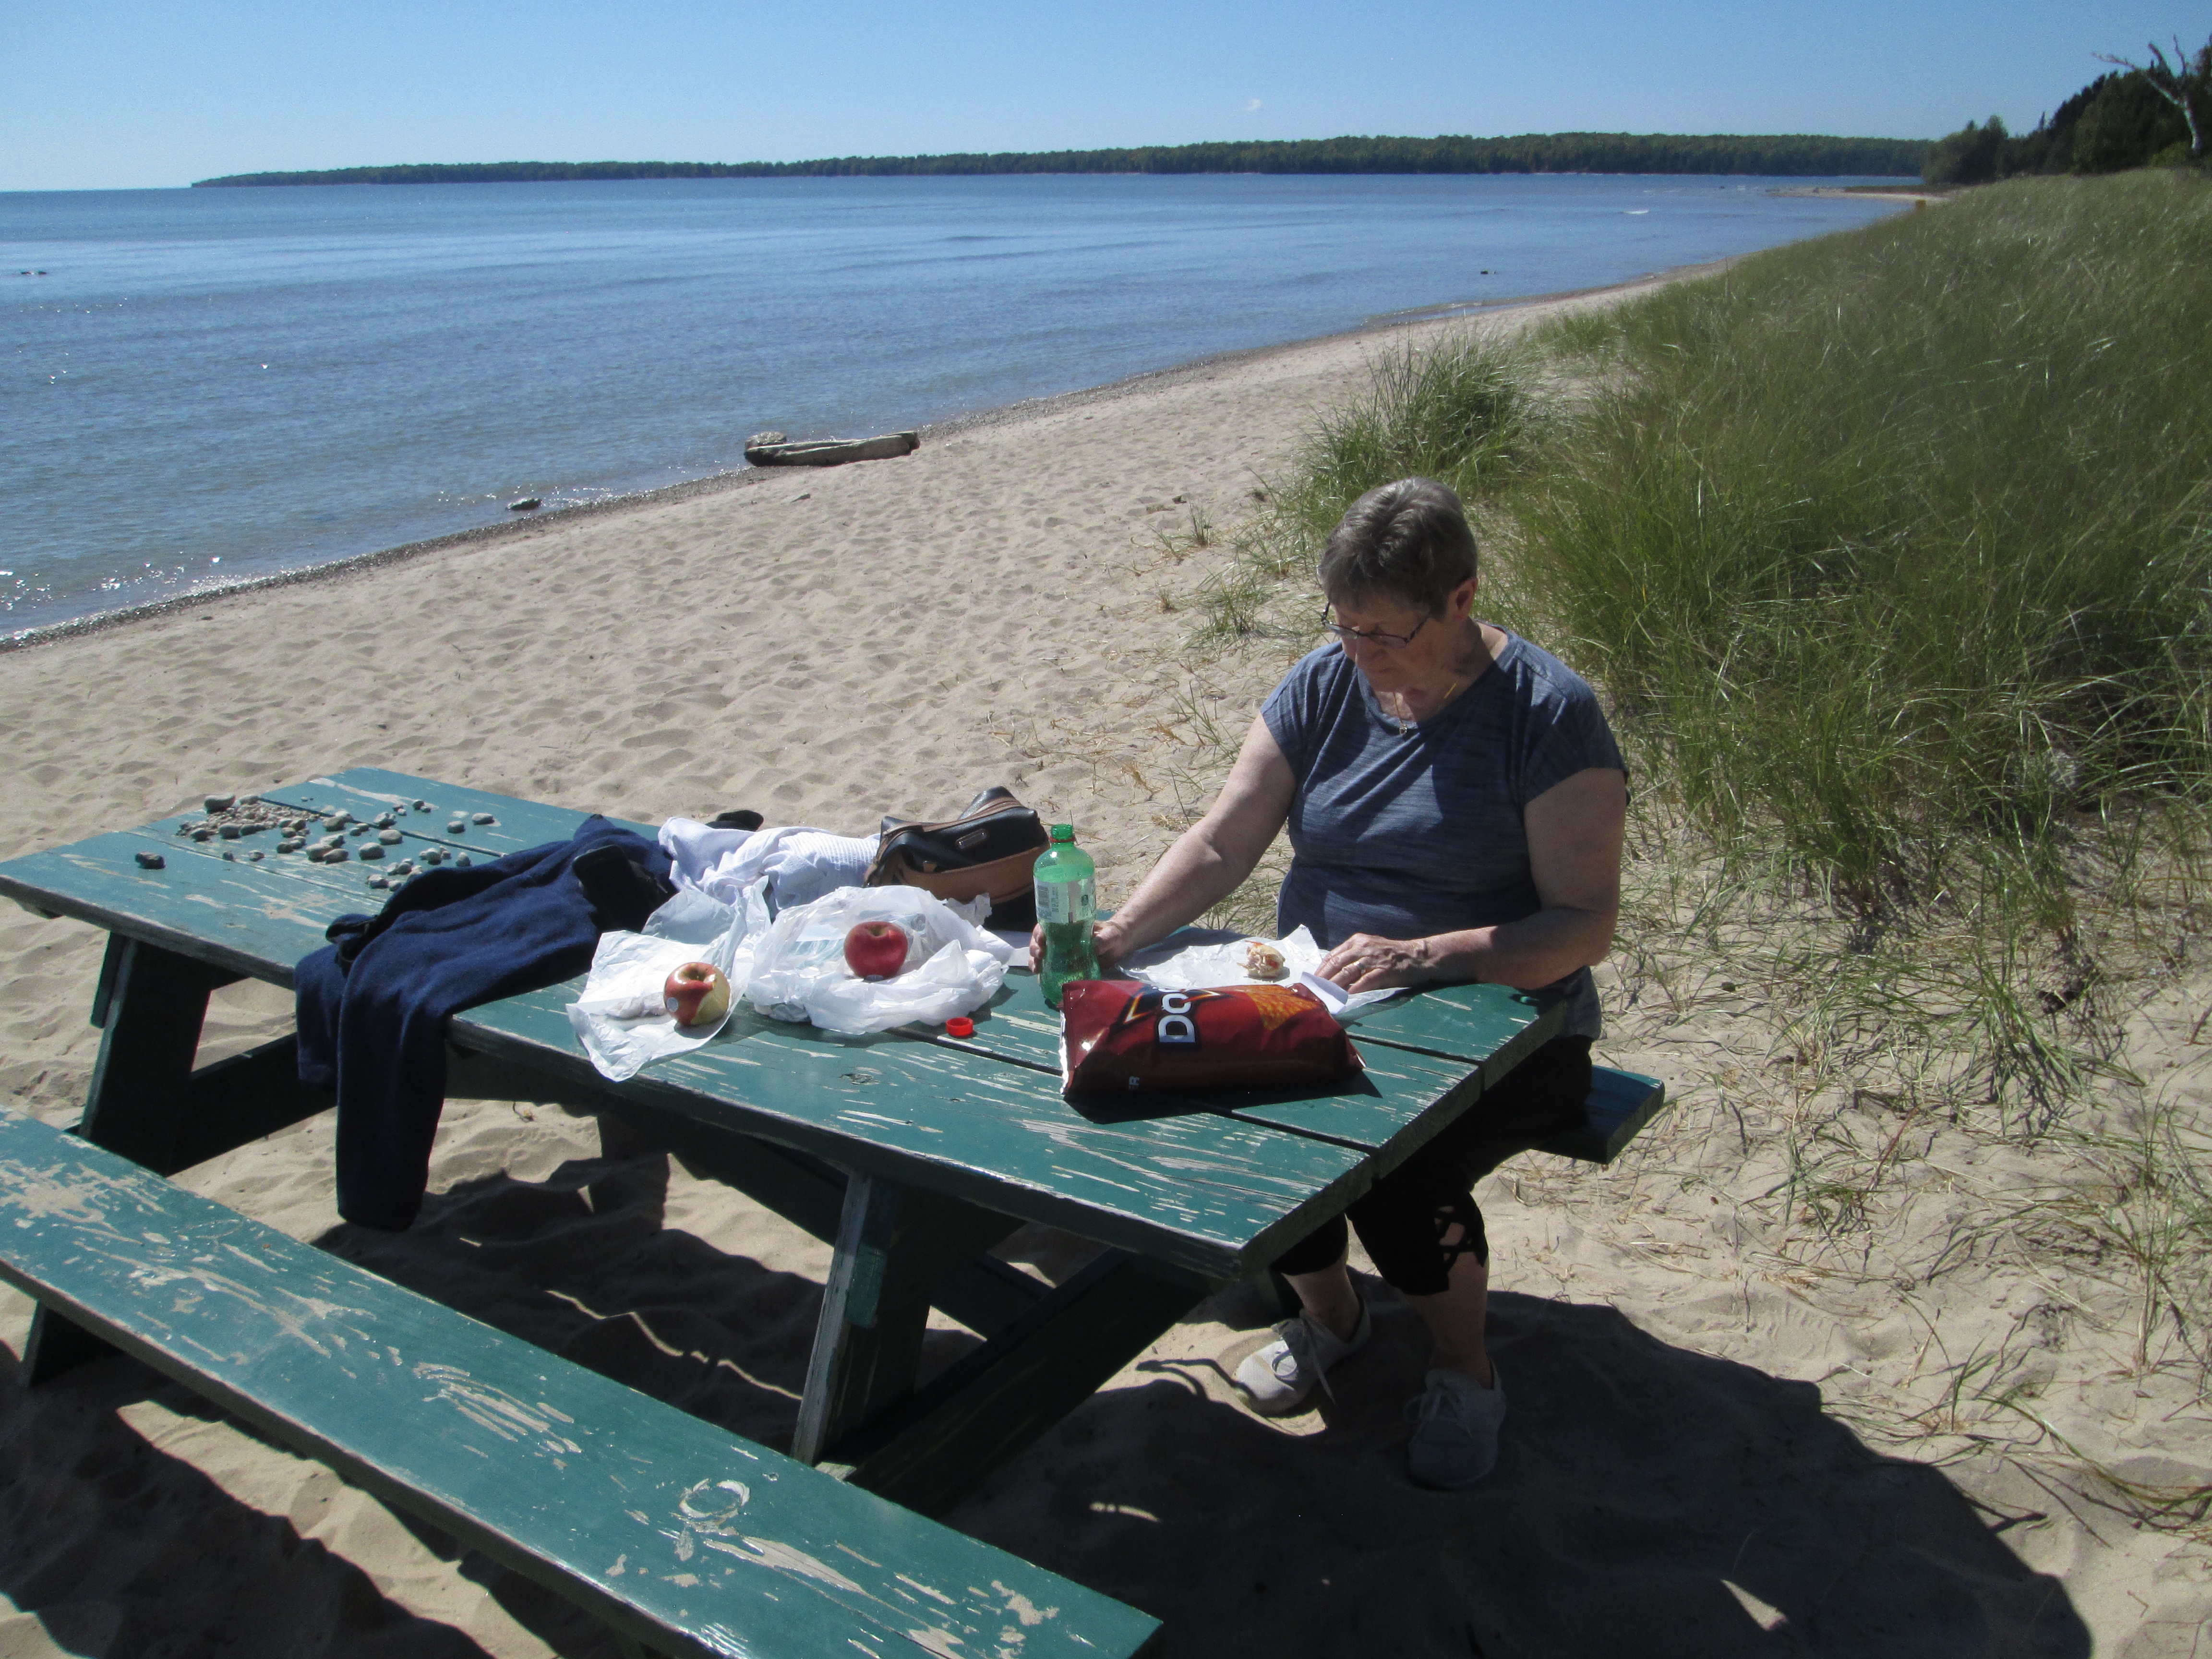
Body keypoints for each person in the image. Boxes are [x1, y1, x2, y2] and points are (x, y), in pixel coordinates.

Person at [1033, 476, 1626, 1489]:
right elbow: (1225, 841)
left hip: (1510, 1024)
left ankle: (1465, 1370)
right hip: (1330, 1001)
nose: (1361, 653)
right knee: (1241, 1115)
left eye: (1386, 634)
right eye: (1343, 625)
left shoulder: (1546, 716)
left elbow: (1583, 928)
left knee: (1394, 1169)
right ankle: (1335, 1322)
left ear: (1463, 600)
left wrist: (1431, 953)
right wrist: (1117, 935)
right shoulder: (1325, 682)